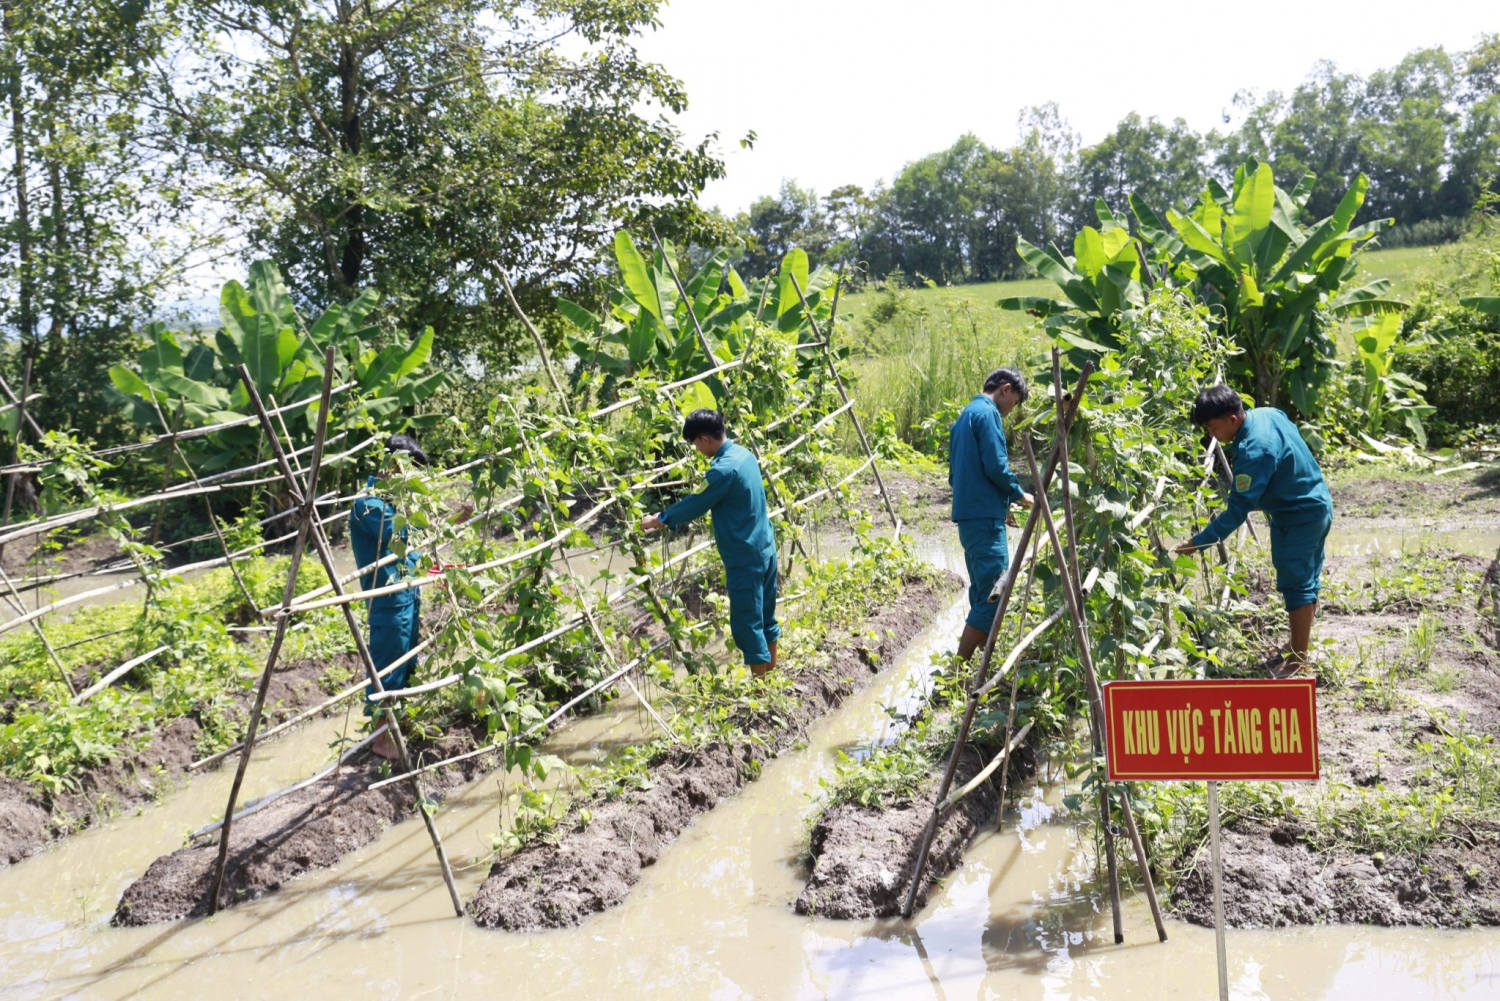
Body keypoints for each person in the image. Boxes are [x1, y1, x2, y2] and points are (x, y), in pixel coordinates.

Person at [1174, 385, 1333, 677]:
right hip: (1318, 504)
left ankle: (1299, 660)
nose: (1211, 435)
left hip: (1296, 518)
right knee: (1308, 578)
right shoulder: (1266, 413)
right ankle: (1298, 645)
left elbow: (1237, 512)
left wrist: (1197, 543)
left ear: (1232, 420)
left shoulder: (1253, 452)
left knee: (1296, 586)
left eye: (1212, 427)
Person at [640, 409, 779, 676]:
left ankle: (763, 693)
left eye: (695, 444)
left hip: (745, 558)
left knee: (748, 625)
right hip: (766, 548)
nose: (696, 449)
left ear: (704, 439)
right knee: (766, 618)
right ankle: (772, 677)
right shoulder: (745, 455)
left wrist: (660, 519)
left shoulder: (722, 471)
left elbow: (696, 503)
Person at [351, 434, 428, 759]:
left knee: (407, 660)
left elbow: (415, 541)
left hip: (407, 595)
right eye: (409, 469)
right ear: (393, 465)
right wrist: (412, 505)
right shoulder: (368, 503)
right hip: (386, 601)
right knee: (388, 666)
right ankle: (381, 738)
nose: (413, 478)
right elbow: (394, 532)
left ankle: (401, 723)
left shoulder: (397, 502)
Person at [950, 367, 1035, 661]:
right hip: (984, 522)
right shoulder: (988, 415)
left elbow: (959, 475)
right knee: (995, 592)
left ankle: (980, 667)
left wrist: (1000, 504)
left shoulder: (965, 416)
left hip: (971, 518)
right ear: (1006, 389)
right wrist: (1018, 494)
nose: (1013, 410)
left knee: (983, 592)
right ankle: (957, 671)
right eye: (1016, 402)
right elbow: (996, 467)